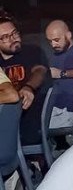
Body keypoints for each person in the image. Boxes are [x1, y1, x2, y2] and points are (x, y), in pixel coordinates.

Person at [0, 13, 51, 145]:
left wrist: (29, 87)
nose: (13, 38)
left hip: (29, 119)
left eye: (14, 33)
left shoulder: (32, 51)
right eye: (5, 37)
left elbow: (40, 71)